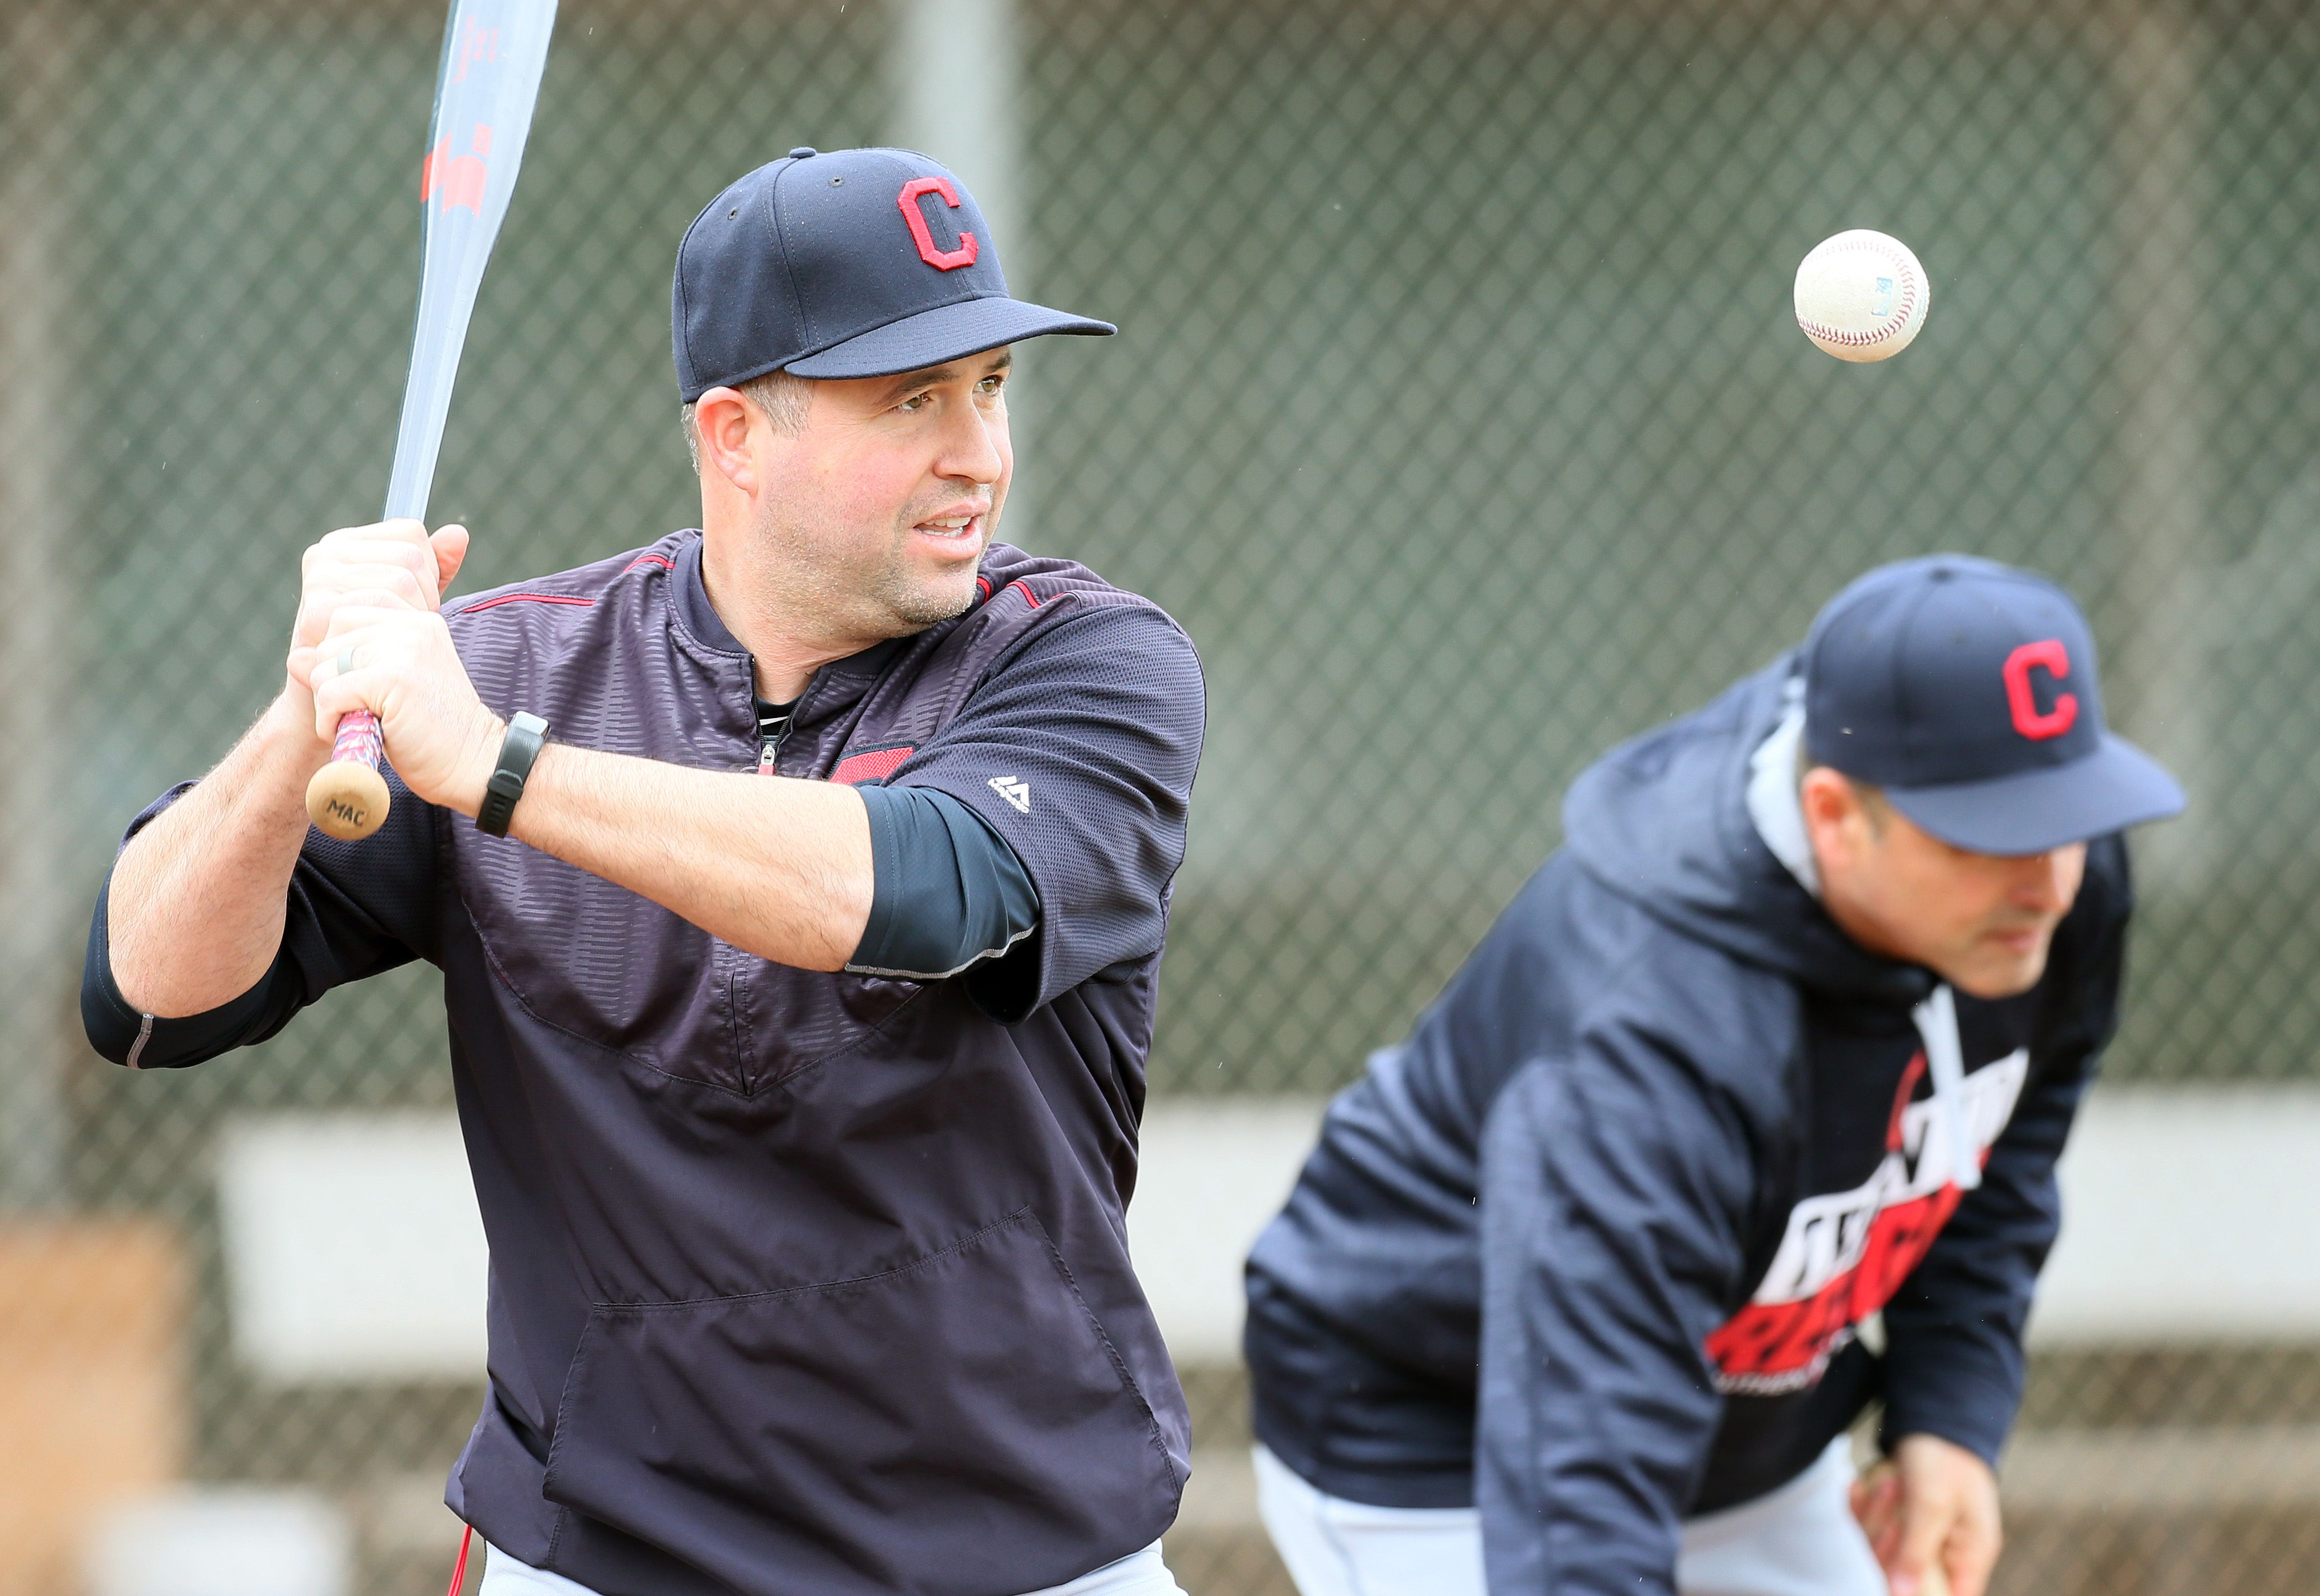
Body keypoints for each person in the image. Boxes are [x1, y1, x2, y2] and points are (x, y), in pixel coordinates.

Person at [85, 147, 1206, 1596]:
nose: (980, 453)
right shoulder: (508, 664)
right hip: (605, 1550)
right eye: (912, 398)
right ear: (736, 434)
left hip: (1021, 1546)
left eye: (991, 385)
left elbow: (918, 892)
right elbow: (148, 1000)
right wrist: (305, 709)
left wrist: (500, 769)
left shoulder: (1090, 660)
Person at [1242, 556, 2185, 1596]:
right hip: (1434, 1442)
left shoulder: (2049, 882)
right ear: (1834, 816)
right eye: (1993, 835)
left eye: (2066, 813)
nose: (2052, 881)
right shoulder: (1650, 1034)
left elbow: (2004, 1134)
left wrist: (1951, 1407)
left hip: (1741, 1431)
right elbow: (1583, 1491)